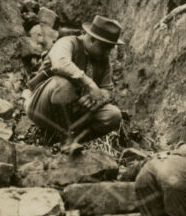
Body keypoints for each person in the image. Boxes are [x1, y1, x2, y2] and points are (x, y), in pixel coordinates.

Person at [25, 15, 124, 152]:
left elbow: (107, 91)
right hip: (41, 107)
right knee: (63, 83)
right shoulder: (68, 42)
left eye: (110, 48)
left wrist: (97, 99)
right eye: (105, 47)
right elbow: (60, 64)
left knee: (113, 115)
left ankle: (69, 141)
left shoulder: (104, 61)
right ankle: (64, 138)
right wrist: (89, 84)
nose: (108, 52)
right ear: (92, 39)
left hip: (74, 116)